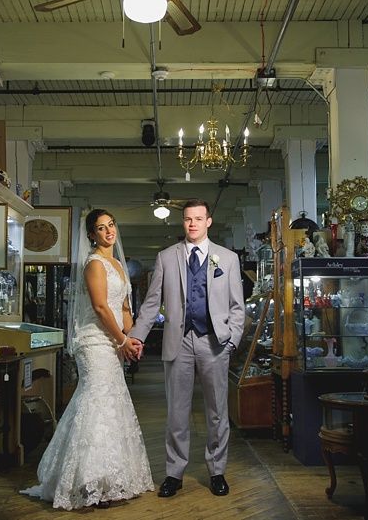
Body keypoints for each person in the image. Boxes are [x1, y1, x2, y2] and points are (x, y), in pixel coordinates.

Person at [21, 209, 154, 509]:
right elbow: (100, 308)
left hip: (114, 341)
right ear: (91, 235)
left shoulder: (118, 265)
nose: (108, 232)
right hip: (94, 342)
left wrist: (133, 339)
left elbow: (122, 310)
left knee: (110, 402)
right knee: (96, 399)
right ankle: (88, 481)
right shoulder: (94, 264)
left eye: (111, 225)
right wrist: (121, 340)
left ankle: (108, 479)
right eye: (101, 228)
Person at [129, 198, 246, 498]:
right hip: (177, 342)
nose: (192, 223)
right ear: (183, 223)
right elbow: (152, 302)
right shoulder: (167, 257)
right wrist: (137, 336)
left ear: (208, 221)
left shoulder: (228, 259)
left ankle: (217, 471)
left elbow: (237, 306)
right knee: (176, 413)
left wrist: (232, 339)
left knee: (217, 412)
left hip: (215, 343)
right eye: (187, 219)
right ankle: (174, 473)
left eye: (198, 218)